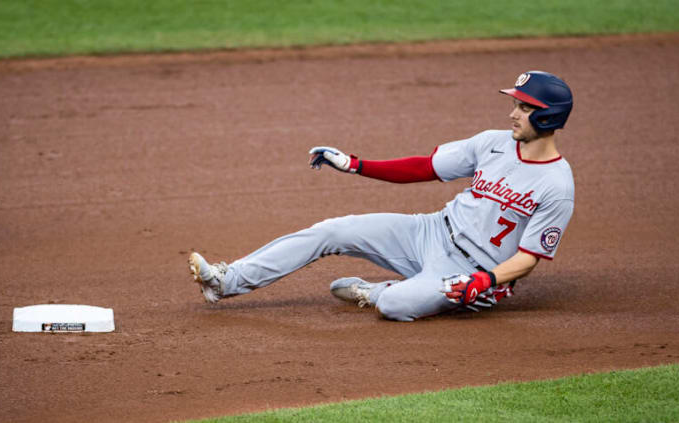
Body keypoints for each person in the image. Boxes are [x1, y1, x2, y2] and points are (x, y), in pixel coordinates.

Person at [189, 70, 574, 321]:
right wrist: (357, 164)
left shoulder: (556, 186)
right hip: (431, 232)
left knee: (395, 306)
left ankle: (376, 292)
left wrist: (485, 280)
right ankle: (226, 280)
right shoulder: (492, 143)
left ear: (548, 117)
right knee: (332, 231)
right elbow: (424, 167)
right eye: (515, 104)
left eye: (525, 108)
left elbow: (528, 259)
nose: (513, 113)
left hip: (470, 272)